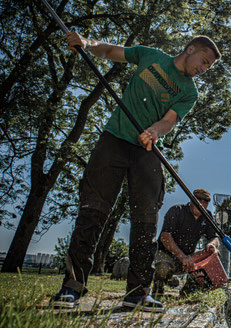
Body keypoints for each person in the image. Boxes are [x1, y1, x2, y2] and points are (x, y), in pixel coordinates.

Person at [50, 31, 221, 312]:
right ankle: (72, 287)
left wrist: (154, 131)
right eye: (203, 61)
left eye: (208, 67)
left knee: (146, 221)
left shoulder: (189, 92)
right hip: (114, 141)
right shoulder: (150, 56)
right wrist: (87, 43)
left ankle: (138, 292)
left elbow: (168, 122)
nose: (203, 69)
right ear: (190, 49)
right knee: (93, 210)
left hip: (148, 152)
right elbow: (109, 51)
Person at [153, 189, 220, 296]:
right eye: (199, 202)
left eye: (205, 202)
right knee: (162, 267)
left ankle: (187, 292)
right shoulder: (177, 210)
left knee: (209, 258)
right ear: (192, 201)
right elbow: (165, 237)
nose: (202, 205)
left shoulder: (207, 216)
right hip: (167, 254)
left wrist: (212, 245)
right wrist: (181, 256)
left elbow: (214, 237)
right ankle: (158, 288)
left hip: (189, 258)